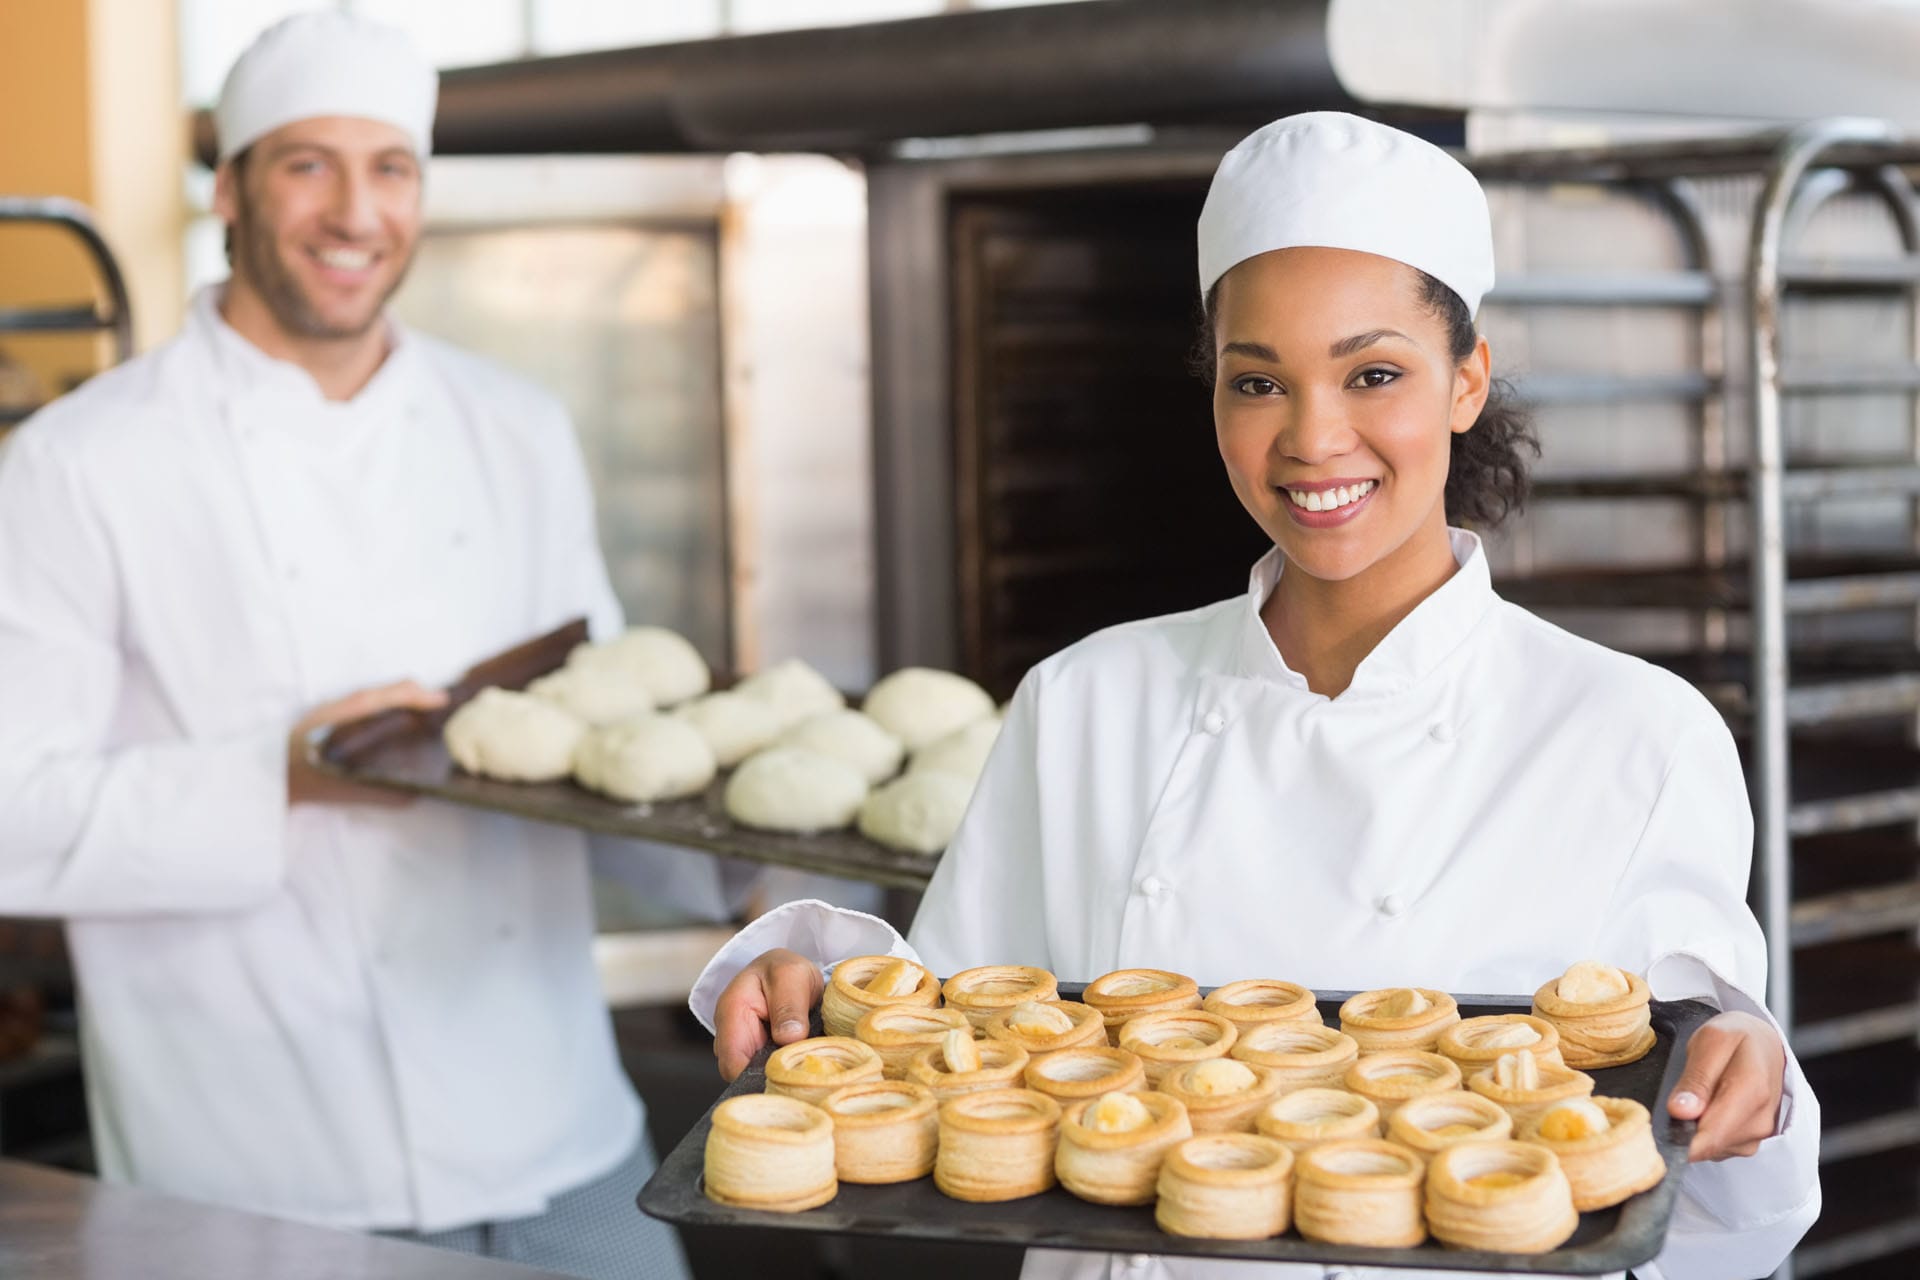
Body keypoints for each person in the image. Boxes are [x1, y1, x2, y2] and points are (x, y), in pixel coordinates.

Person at [694, 113, 1820, 1280]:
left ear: (1467, 379)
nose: (1312, 437)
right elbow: (948, 1055)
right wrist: (817, 997)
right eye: (1258, 381)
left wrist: (1750, 1084)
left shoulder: (1631, 736)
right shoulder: (1086, 699)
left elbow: (1712, 1213)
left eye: (1373, 372)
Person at [0, 12, 690, 1278]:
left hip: (559, 1133)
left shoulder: (516, 426)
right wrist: (281, 772)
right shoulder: (78, 464)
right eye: (307, 164)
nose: (354, 212)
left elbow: (600, 738)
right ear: (229, 189)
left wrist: (776, 886)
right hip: (258, 1178)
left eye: (391, 168)